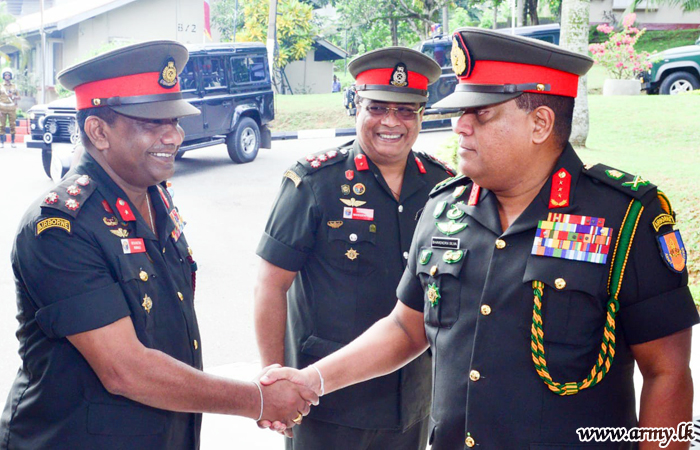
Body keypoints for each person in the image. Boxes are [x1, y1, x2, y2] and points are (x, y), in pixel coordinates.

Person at [259, 28, 698, 448]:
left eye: (481, 113)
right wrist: (312, 380)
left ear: (540, 123)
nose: (460, 127)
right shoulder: (443, 208)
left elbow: (667, 373)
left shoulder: (625, 219)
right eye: (461, 112)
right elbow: (406, 327)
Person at [0, 41, 316, 450]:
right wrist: (257, 400)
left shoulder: (153, 195)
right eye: (152, 123)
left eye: (175, 120)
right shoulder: (59, 227)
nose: (175, 135)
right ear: (98, 131)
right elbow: (125, 369)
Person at [254, 47, 454, 450]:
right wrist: (274, 384)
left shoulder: (441, 185)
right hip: (327, 400)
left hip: (413, 396)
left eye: (406, 111)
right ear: (356, 107)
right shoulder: (314, 183)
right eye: (377, 108)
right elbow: (270, 285)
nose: (391, 122)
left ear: (421, 115)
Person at [0, 68, 20, 148]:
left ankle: (12, 142)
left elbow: (19, 97)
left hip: (11, 108)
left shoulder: (14, 86)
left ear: (11, 76)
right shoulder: (1, 86)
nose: (7, 76)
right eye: (6, 75)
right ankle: (2, 142)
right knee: (2, 125)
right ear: (3, 76)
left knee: (12, 125)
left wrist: (13, 96)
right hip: (2, 108)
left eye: (8, 75)